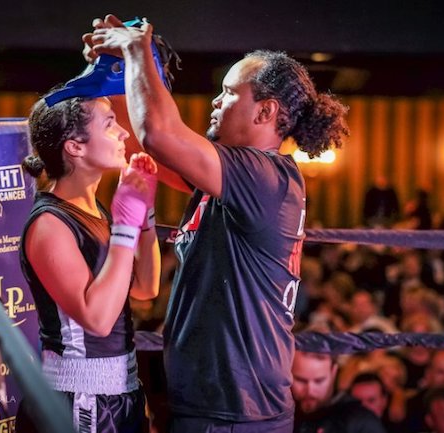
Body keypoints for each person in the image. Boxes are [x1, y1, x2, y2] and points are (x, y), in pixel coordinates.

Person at [87, 14, 349, 433]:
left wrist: (137, 50)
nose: (215, 100)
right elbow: (141, 141)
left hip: (234, 413)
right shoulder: (234, 179)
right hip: (221, 405)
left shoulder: (264, 177)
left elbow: (159, 133)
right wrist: (118, 68)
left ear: (266, 111)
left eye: (228, 93)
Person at [15, 89, 161, 432]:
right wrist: (125, 226)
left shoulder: (96, 211)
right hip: (77, 396)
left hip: (122, 391)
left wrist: (145, 215)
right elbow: (97, 320)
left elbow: (144, 288)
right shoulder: (49, 224)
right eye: (110, 124)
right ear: (75, 146)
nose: (124, 133)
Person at [291, 351, 386, 433]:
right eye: (301, 380)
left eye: (319, 381)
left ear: (333, 371)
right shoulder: (282, 413)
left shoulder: (361, 423)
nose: (310, 390)